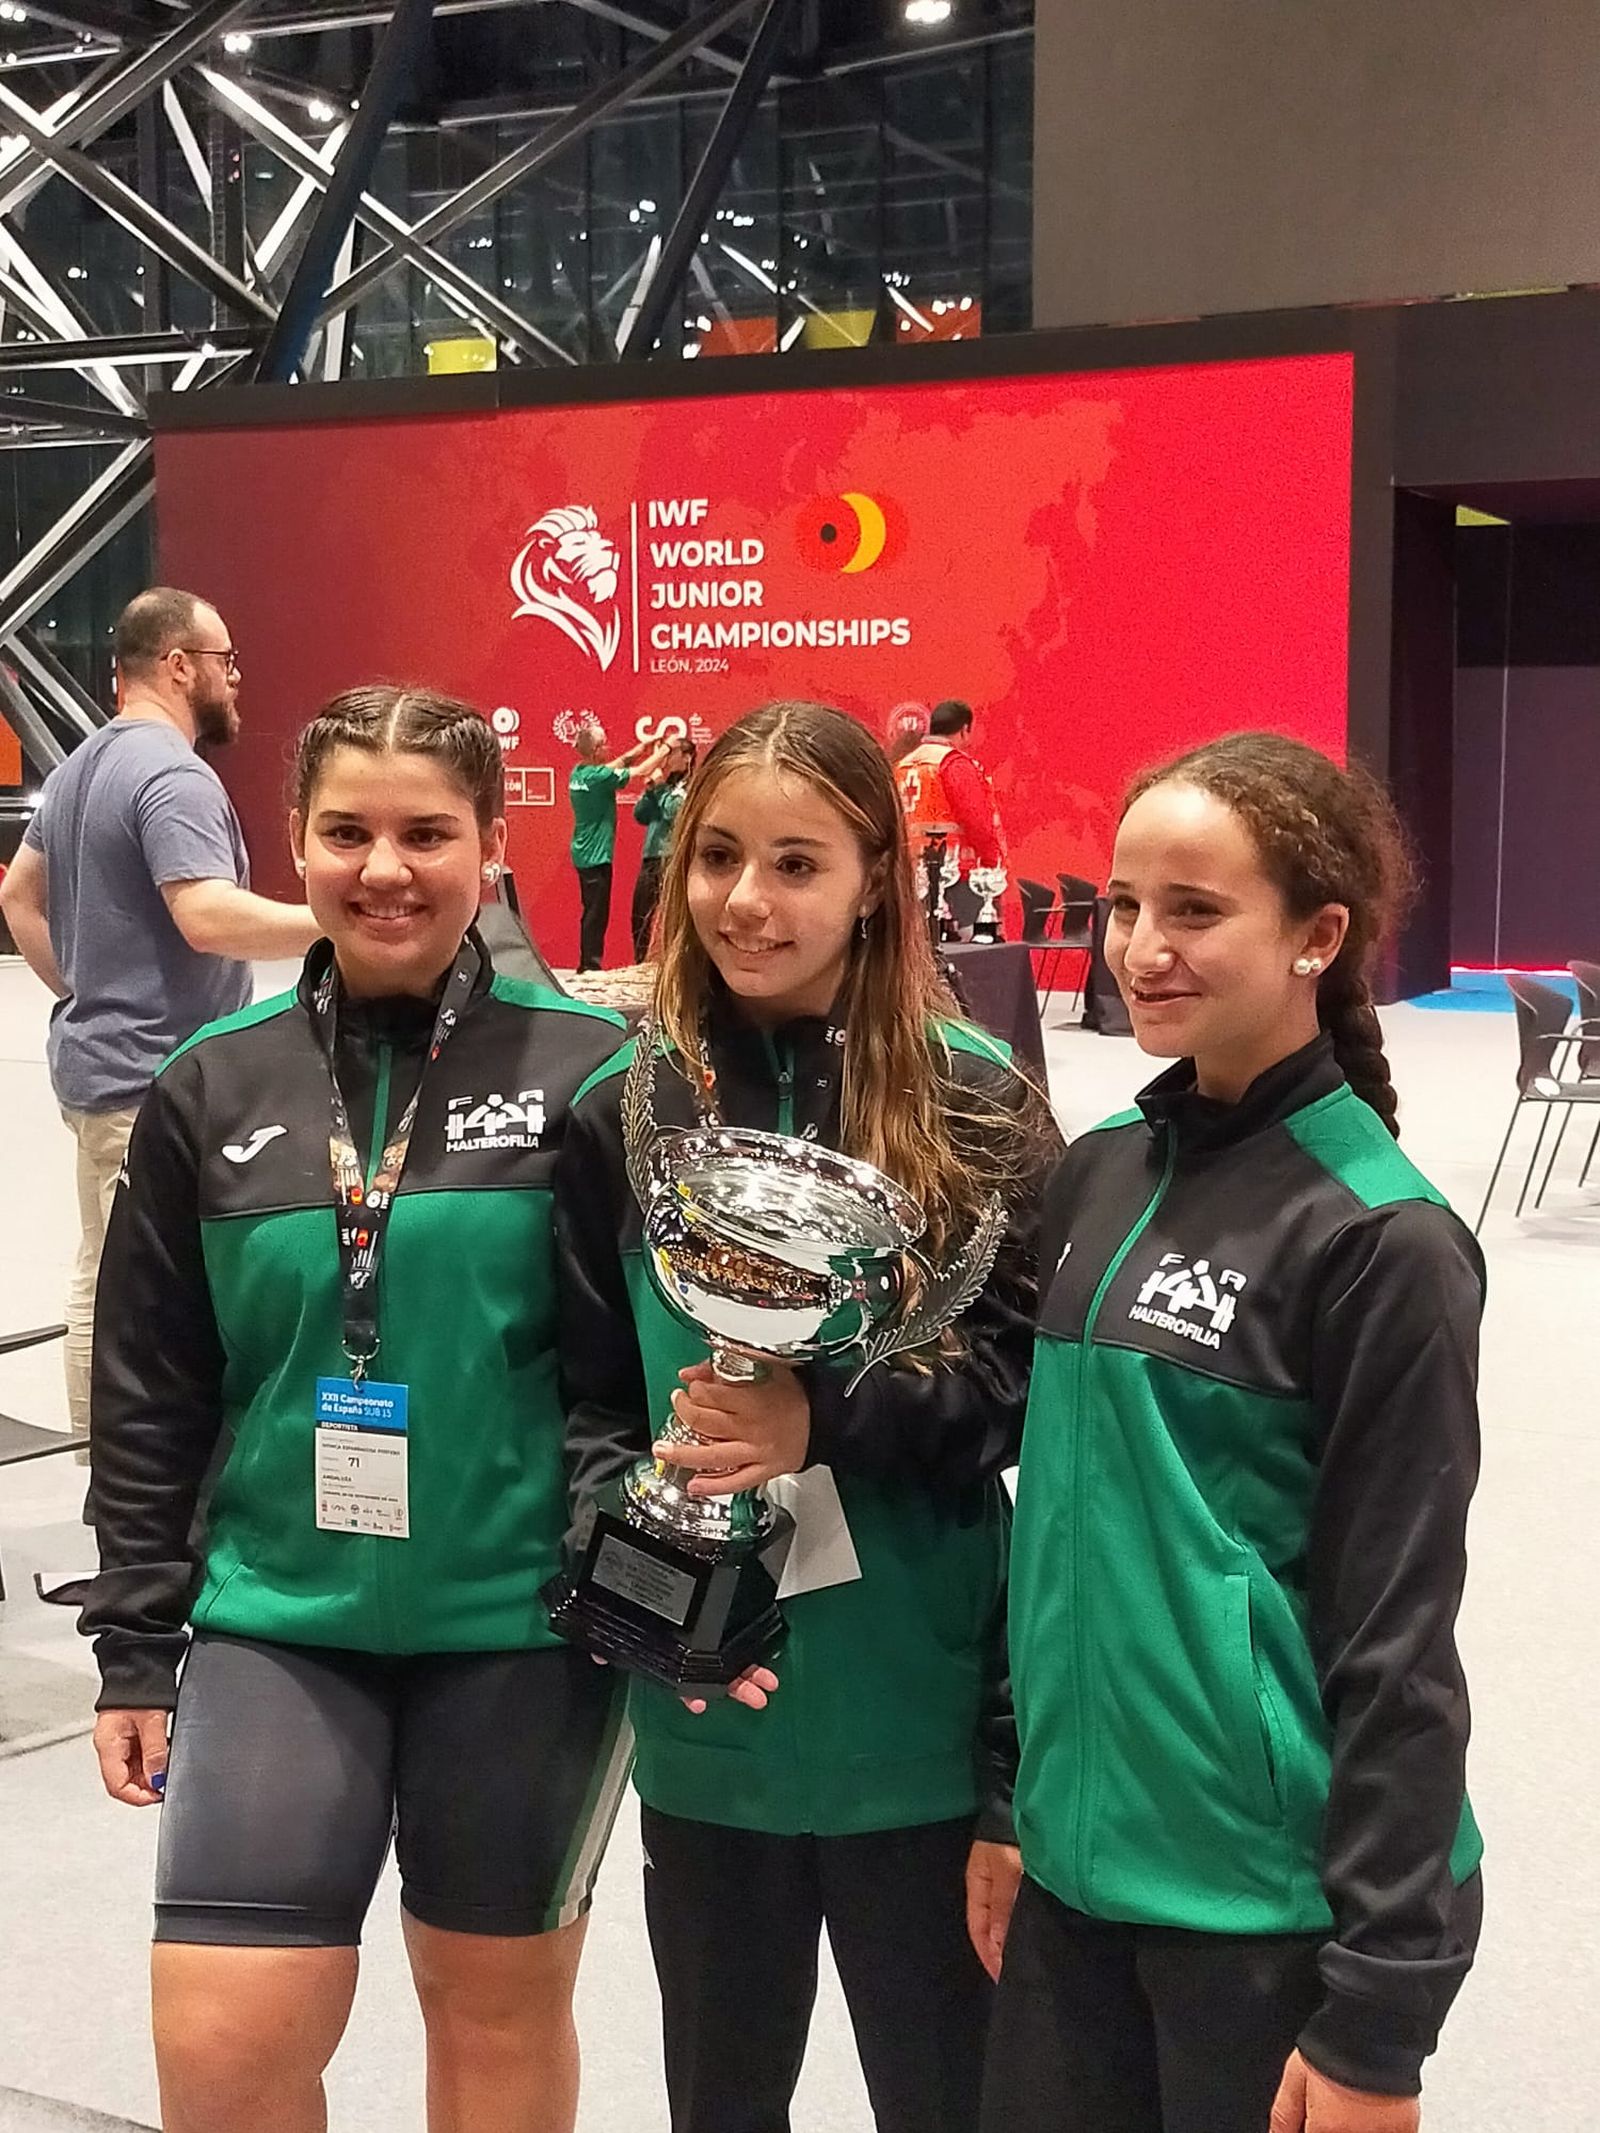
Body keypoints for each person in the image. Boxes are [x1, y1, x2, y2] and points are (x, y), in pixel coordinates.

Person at [81, 687, 632, 2133]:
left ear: (491, 844)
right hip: (280, 1624)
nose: (385, 866)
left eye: (426, 832)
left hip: (519, 1634)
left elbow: (620, 1377)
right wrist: (138, 1644)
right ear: (295, 842)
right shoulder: (208, 1088)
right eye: (348, 831)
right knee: (222, 2056)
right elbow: (151, 1390)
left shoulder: (592, 1072)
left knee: (495, 2025)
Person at [555, 700, 1060, 2133]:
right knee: (720, 2098)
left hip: (922, 1704)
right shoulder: (619, 1106)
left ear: (872, 881)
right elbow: (587, 1404)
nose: (746, 901)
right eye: (717, 856)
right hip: (715, 1724)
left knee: (950, 2094)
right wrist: (646, 1597)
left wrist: (821, 1420)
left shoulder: (974, 1103)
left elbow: (1028, 1389)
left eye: (796, 862)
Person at [978, 732, 1484, 2133]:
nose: (1141, 946)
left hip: (1263, 1907)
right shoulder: (1095, 1177)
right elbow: (1066, 1526)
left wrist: (1381, 2010)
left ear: (1318, 935)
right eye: (1123, 905)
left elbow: (1397, 1639)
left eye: (1195, 910)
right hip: (1078, 1886)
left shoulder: (1381, 1238)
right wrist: (1015, 1798)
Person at [0, 587, 319, 1455]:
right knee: (137, 1305)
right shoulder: (172, 775)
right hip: (150, 1085)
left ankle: (99, 1488)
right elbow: (207, 916)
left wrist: (82, 987)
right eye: (227, 661)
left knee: (100, 1285)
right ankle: (123, 1501)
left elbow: (16, 894)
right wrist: (341, 916)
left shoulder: (78, 767)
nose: (236, 678)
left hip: (101, 1072)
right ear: (181, 665)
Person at [568, 718, 667, 972]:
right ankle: (589, 966)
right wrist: (665, 750)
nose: (608, 747)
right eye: (604, 744)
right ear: (595, 750)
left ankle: (587, 963)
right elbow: (642, 771)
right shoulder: (599, 777)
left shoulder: (580, 772)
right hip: (596, 856)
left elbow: (617, 765)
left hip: (583, 853)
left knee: (591, 911)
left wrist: (640, 747)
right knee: (596, 914)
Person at [895, 698, 1004, 877]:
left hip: (910, 871)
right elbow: (976, 819)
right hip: (953, 872)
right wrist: (991, 863)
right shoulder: (954, 764)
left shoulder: (902, 766)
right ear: (963, 731)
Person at [630, 732, 695, 960]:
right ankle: (640, 963)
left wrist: (659, 789)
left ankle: (674, 963)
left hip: (671, 858)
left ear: (687, 758)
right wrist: (650, 792)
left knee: (673, 917)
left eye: (671, 752)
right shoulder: (665, 785)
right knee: (639, 914)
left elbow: (675, 813)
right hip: (651, 857)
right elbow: (640, 815)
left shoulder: (691, 786)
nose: (665, 758)